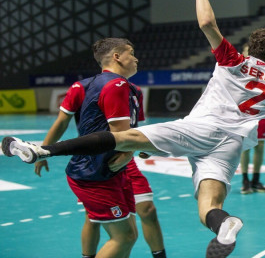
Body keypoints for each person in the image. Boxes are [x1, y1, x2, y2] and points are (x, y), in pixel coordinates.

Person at [2, 0, 265, 258]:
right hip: (233, 143)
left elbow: (207, 25)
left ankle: (41, 149)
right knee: (210, 203)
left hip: (202, 129)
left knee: (125, 138)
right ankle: (224, 224)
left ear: (254, 48)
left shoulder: (235, 60)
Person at [34, 38, 166, 258]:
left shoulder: (134, 90)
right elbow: (63, 122)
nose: (136, 58)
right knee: (113, 229)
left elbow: (130, 131)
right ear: (116, 56)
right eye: (131, 53)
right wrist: (44, 151)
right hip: (97, 166)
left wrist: (133, 151)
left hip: (118, 162)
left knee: (132, 227)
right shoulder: (88, 86)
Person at [239, 43, 265, 194]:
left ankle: (256, 180)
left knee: (260, 146)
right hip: (243, 114)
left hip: (260, 113)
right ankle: (245, 181)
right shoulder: (237, 70)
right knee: (245, 148)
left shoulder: (264, 70)